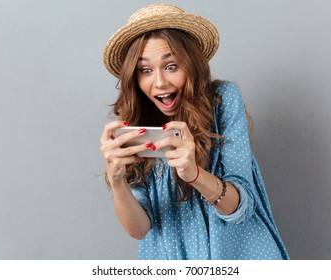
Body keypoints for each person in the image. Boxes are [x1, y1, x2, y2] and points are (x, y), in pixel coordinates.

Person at [100, 3, 289, 260]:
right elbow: (138, 229)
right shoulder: (133, 130)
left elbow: (241, 209)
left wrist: (194, 174)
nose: (159, 83)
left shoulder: (221, 101)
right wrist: (117, 180)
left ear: (192, 65)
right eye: (145, 70)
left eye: (171, 66)